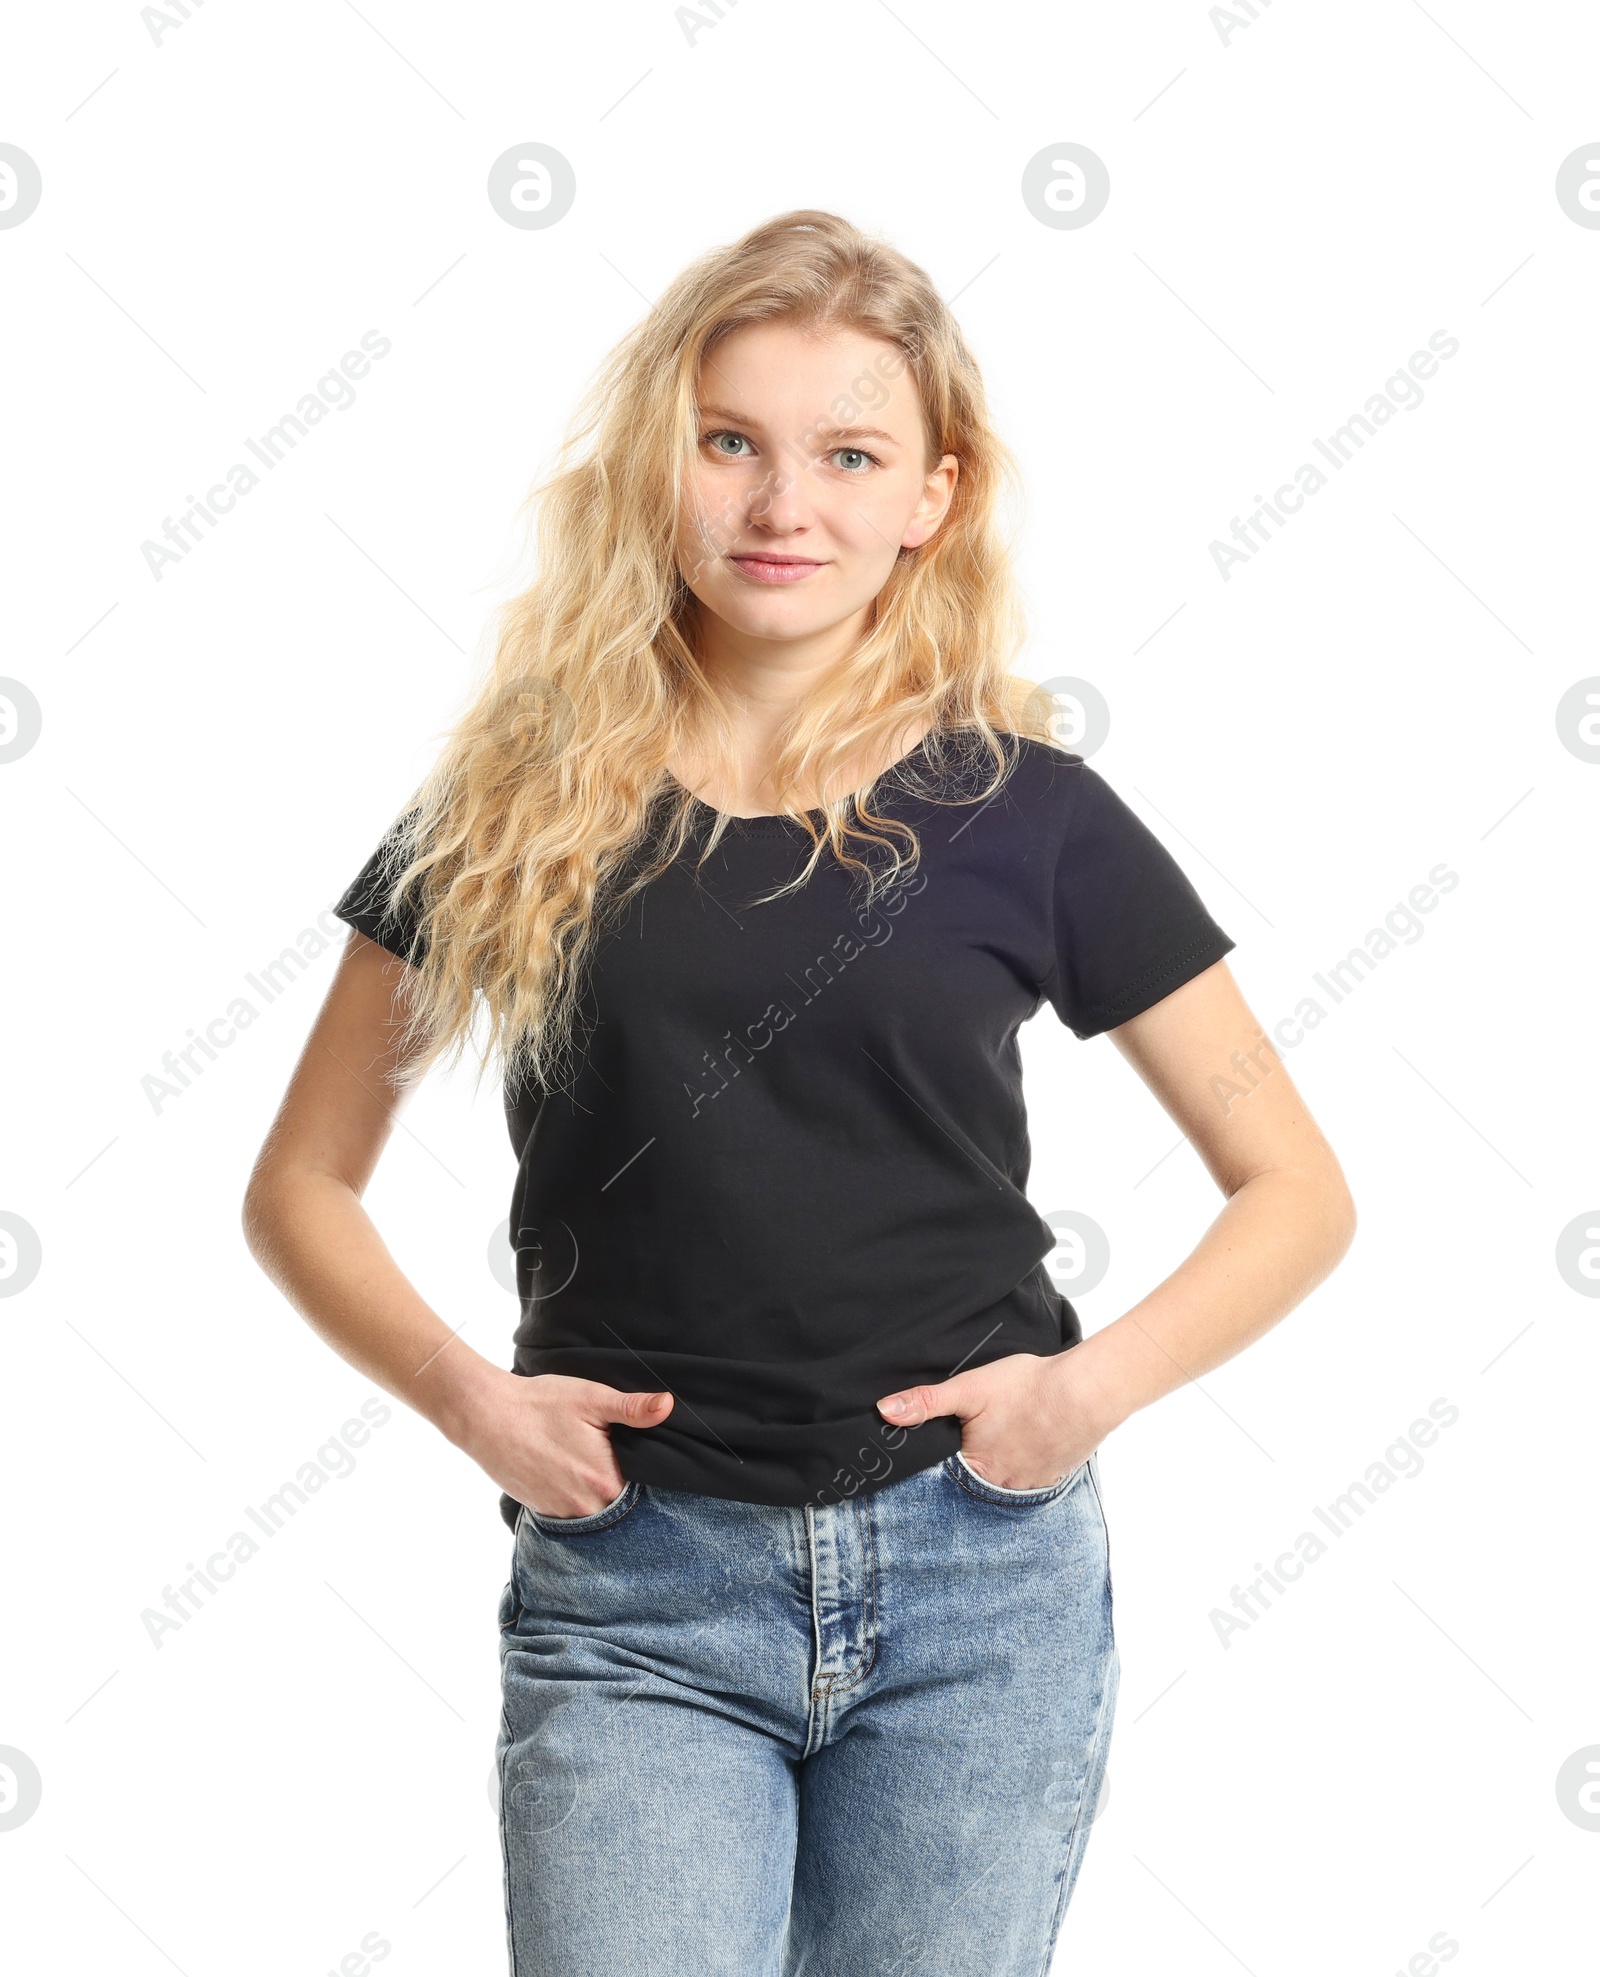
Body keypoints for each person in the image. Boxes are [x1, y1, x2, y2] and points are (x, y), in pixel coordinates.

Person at [243, 208, 1356, 1976]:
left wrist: (1079, 1398)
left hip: (977, 1590)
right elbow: (301, 1182)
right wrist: (475, 1401)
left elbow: (1296, 1188)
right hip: (636, 1593)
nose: (784, 508)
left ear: (935, 492)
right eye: (731, 442)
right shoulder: (515, 802)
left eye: (850, 455)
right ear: (659, 459)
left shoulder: (1029, 813)